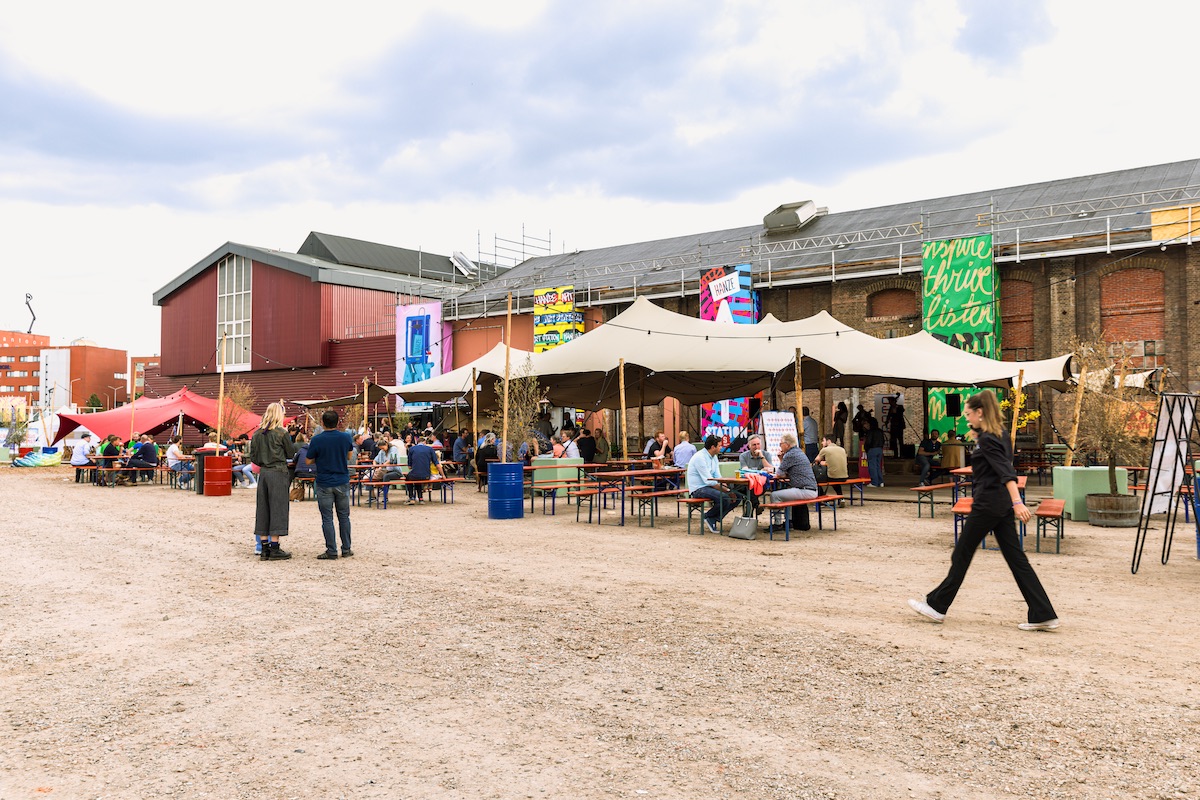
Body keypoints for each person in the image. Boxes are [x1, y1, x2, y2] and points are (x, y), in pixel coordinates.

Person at [909, 391, 1059, 631]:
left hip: (988, 504)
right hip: (998, 506)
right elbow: (999, 465)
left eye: (969, 414)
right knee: (1016, 559)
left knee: (962, 554)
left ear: (980, 412)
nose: (967, 418)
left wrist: (1018, 502)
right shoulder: (998, 435)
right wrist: (977, 436)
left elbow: (1004, 471)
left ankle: (937, 606)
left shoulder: (989, 439)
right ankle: (1043, 613)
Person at [249, 402, 298, 560]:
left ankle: (264, 548)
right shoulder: (281, 433)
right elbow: (291, 453)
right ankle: (275, 547)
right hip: (278, 471)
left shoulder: (257, 434)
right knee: (278, 508)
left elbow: (254, 457)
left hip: (264, 473)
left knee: (263, 508)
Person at [306, 409, 355, 560]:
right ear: (337, 422)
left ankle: (331, 550)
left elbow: (308, 460)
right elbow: (349, 456)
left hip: (324, 481)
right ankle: (346, 548)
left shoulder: (317, 440)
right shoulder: (345, 437)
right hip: (342, 479)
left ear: (322, 423)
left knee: (327, 518)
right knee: (344, 517)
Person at [686, 434, 743, 534]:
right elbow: (708, 481)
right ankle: (708, 516)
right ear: (713, 447)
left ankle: (712, 518)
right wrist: (727, 490)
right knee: (725, 498)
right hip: (698, 488)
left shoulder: (714, 457)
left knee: (738, 497)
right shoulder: (700, 457)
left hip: (708, 486)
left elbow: (718, 477)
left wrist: (727, 488)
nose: (721, 447)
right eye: (719, 446)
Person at [769, 433, 818, 532]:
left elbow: (779, 474)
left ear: (787, 444)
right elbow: (784, 473)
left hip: (805, 490)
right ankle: (789, 521)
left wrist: (780, 460)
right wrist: (782, 460)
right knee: (788, 492)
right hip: (811, 489)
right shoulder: (798, 452)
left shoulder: (790, 455)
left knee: (774, 495)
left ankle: (777, 524)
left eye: (780, 443)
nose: (780, 446)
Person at [738, 434, 775, 515]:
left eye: (758, 444)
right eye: (754, 445)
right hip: (748, 483)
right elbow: (745, 470)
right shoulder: (743, 456)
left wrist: (762, 457)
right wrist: (760, 471)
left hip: (761, 484)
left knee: (748, 492)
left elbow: (771, 470)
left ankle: (748, 517)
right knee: (748, 489)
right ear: (749, 446)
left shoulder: (766, 454)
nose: (756, 447)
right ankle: (756, 505)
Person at [813, 433, 848, 502]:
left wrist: (822, 449)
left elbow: (816, 460)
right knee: (835, 478)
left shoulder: (825, 450)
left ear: (828, 441)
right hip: (844, 477)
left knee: (815, 480)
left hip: (832, 477)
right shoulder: (842, 449)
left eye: (823, 441)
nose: (822, 443)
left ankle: (823, 499)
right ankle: (841, 498)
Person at [864, 417, 886, 487]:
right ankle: (880, 481)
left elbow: (868, 442)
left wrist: (866, 448)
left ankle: (874, 482)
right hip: (879, 449)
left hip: (872, 449)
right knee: (878, 466)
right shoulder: (880, 431)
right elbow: (883, 440)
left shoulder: (871, 431)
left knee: (872, 466)